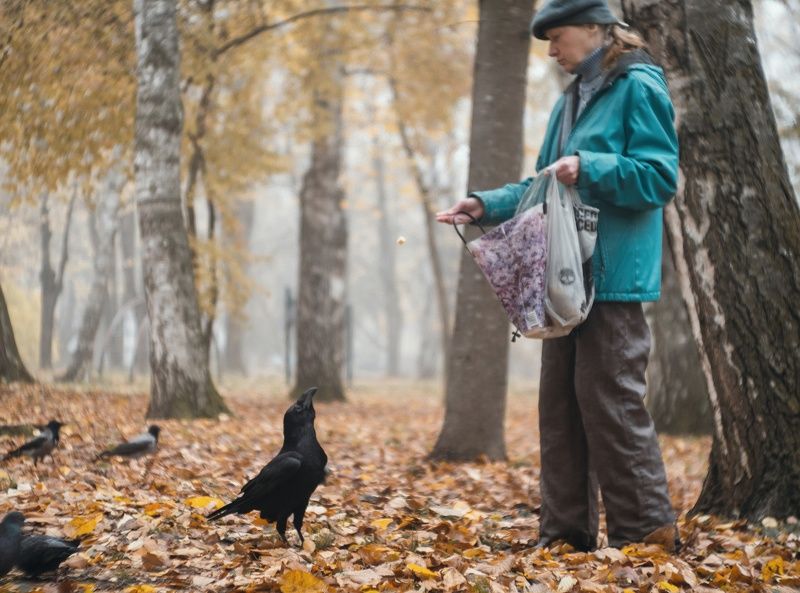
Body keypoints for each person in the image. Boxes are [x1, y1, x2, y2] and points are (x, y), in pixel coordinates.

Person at [436, 0, 680, 552]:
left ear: (595, 28)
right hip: (562, 283)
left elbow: (660, 177)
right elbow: (541, 185)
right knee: (561, 411)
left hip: (613, 280)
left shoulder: (637, 86)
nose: (550, 50)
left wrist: (591, 166)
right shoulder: (569, 101)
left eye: (557, 36)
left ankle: (647, 537)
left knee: (613, 405)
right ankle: (565, 538)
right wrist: (483, 204)